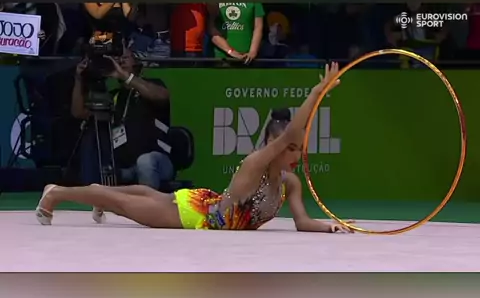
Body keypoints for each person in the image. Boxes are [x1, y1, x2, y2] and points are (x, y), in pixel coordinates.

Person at [37, 62, 353, 233]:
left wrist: (331, 228)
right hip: (193, 217)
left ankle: (97, 193)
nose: (299, 155)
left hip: (203, 201)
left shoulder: (289, 182)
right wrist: (317, 93)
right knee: (122, 203)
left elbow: (302, 222)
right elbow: (292, 131)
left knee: (136, 195)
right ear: (276, 146)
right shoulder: (255, 164)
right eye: (293, 148)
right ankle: (56, 193)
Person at [71, 49, 174, 190]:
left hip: (158, 162)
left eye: (125, 57)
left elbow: (162, 96)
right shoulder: (114, 96)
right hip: (125, 167)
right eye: (118, 58)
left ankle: (148, 203)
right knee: (103, 166)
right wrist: (79, 78)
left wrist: (124, 75)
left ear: (137, 63)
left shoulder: (152, 85)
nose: (121, 61)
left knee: (144, 162)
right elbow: (78, 113)